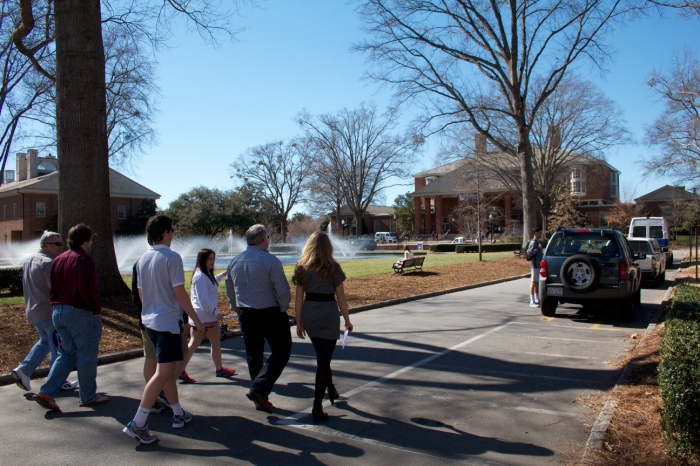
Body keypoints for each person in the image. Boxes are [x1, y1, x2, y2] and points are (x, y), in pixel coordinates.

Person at [123, 215, 206, 444]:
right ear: (166, 232)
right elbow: (180, 293)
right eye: (172, 230)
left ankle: (178, 412)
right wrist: (197, 321)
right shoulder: (172, 257)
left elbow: (141, 295)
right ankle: (138, 423)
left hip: (150, 322)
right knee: (163, 373)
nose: (173, 234)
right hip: (166, 324)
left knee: (166, 371)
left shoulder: (142, 260)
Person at [33, 224, 107, 411]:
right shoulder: (84, 259)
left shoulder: (59, 259)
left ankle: (47, 392)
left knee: (67, 353)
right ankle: (88, 396)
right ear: (85, 240)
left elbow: (54, 288)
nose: (91, 242)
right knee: (87, 355)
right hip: (80, 313)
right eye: (90, 239)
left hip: (58, 312)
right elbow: (87, 289)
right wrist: (96, 309)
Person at [225, 224, 291, 414]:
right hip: (270, 312)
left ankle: (259, 395)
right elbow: (283, 290)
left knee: (254, 355)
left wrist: (235, 307)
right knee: (282, 350)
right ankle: (259, 390)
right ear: (264, 240)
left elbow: (230, 289)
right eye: (268, 238)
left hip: (246, 313)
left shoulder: (235, 261)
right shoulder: (270, 260)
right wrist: (283, 307)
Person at [293, 232, 353, 423]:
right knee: (324, 361)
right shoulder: (333, 267)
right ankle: (317, 406)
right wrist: (347, 319)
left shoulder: (302, 267)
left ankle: (331, 388)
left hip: (310, 314)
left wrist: (299, 321)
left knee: (322, 358)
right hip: (328, 314)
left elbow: (298, 298)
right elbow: (341, 298)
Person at [12, 232, 77, 393]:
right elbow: (57, 290)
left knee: (46, 342)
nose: (61, 247)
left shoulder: (30, 259)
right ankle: (57, 381)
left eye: (61, 244)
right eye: (57, 244)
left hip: (34, 310)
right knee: (58, 347)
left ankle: (24, 370)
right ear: (46, 245)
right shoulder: (49, 263)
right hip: (48, 312)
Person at [180, 249, 235, 378]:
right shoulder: (200, 277)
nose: (212, 261)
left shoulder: (205, 275)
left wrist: (224, 273)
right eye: (210, 258)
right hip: (205, 317)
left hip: (201, 317)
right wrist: (216, 312)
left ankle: (181, 370)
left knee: (195, 344)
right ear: (203, 260)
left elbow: (211, 283)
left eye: (213, 258)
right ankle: (218, 369)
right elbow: (203, 299)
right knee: (209, 343)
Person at [131, 261, 170, 414]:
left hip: (159, 319)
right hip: (151, 320)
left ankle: (159, 394)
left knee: (158, 360)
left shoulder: (156, 261)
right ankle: (152, 399)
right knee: (152, 359)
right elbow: (137, 294)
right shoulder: (142, 263)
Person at [526, 228, 544, 307]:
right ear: (535, 233)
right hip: (534, 265)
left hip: (539, 265)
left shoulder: (538, 242)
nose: (540, 234)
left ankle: (537, 299)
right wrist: (537, 248)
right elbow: (529, 253)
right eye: (539, 232)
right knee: (533, 282)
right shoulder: (533, 242)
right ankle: (531, 301)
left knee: (537, 282)